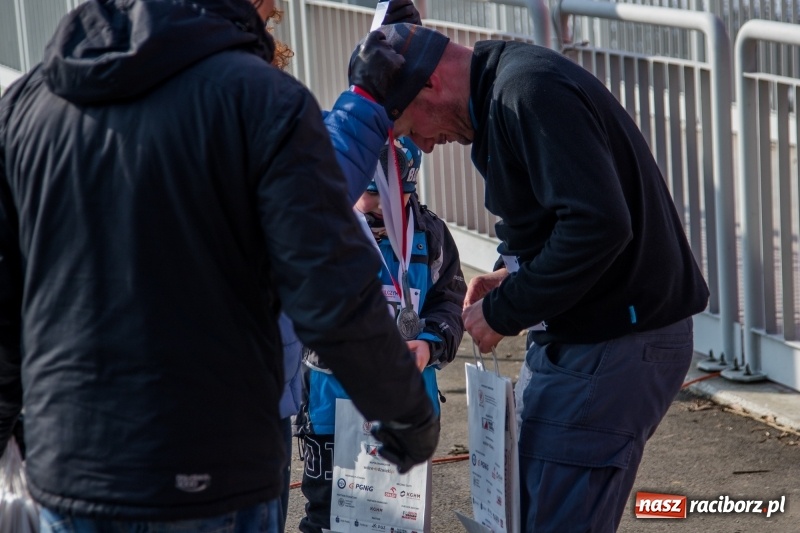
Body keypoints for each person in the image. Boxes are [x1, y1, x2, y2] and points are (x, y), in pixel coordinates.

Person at [0, 0, 440, 530]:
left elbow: (7, 302)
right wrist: (404, 409)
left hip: (71, 463)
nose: (275, 10)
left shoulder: (26, 103)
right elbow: (327, 282)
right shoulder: (263, 101)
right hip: (214, 468)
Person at [353, 22, 711, 532]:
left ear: (429, 83)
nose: (427, 146)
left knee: (552, 519)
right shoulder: (506, 94)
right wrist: (510, 276)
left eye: (413, 130)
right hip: (587, 336)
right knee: (527, 511)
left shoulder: (528, 91)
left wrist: (505, 310)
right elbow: (571, 221)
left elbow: (599, 225)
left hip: (616, 339)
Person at [293, 136, 466, 533]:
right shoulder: (320, 230)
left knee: (400, 519)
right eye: (374, 194)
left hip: (408, 403)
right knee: (327, 514)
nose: (391, 205)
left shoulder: (430, 233)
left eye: (403, 193)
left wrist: (430, 343)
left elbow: (449, 301)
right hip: (332, 408)